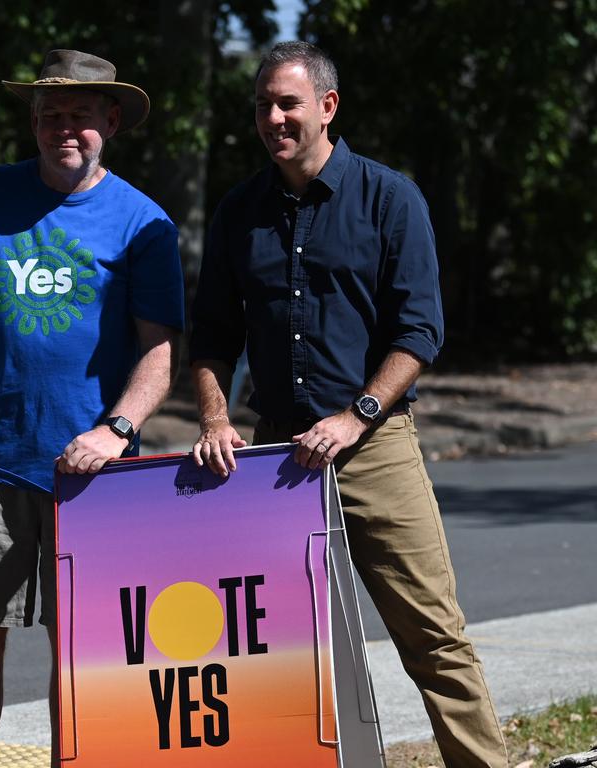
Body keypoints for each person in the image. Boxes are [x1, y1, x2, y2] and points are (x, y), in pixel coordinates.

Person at [189, 41, 508, 768]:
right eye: (263, 104)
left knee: (432, 635)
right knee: (282, 653)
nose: (273, 117)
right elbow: (209, 338)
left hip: (374, 446)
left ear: (327, 107)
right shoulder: (240, 212)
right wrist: (215, 418)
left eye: (287, 103)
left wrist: (356, 415)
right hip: (274, 458)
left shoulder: (389, 198)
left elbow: (420, 330)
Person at [0, 49, 183, 768]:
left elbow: (159, 351)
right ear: (33, 122)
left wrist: (117, 429)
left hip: (94, 476)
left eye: (80, 115)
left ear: (110, 122)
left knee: (81, 646)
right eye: (51, 114)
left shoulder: (142, 221)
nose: (66, 128)